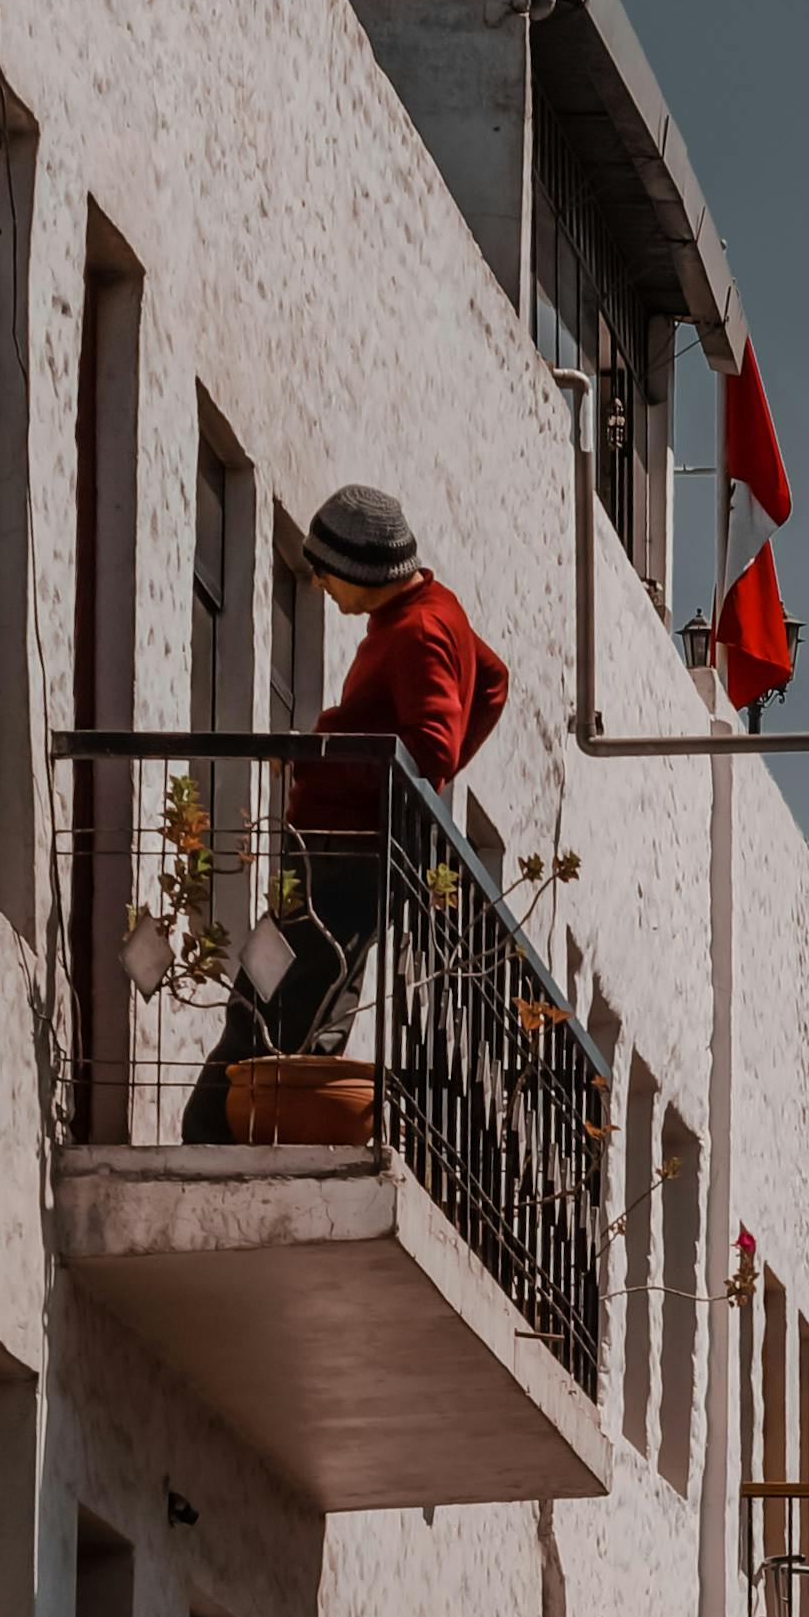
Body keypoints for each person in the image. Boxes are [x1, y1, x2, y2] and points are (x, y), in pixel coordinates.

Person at [181, 485, 509, 1141]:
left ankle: (222, 1138)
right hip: (332, 851)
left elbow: (432, 750)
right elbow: (493, 681)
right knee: (290, 988)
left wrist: (322, 758)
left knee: (279, 996)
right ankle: (246, 1130)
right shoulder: (428, 616)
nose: (323, 587)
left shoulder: (420, 631)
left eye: (327, 573)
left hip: (346, 853)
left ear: (362, 569)